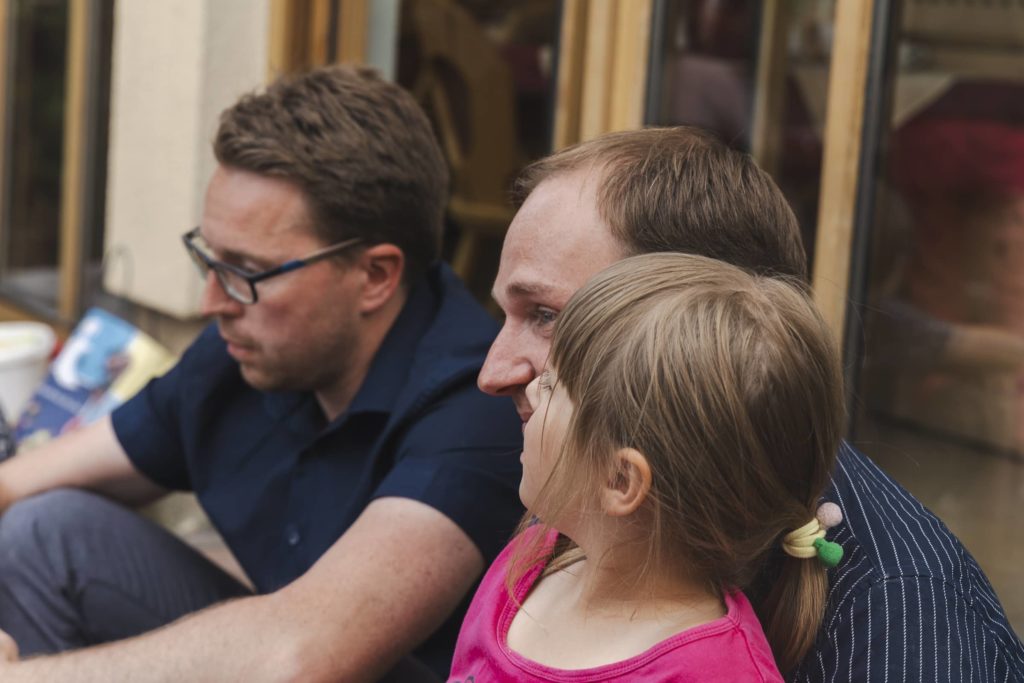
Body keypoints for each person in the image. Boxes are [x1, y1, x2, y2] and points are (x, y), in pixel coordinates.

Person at [0, 65, 523, 681]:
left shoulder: (476, 407)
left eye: (246, 271)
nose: (210, 303)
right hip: (288, 641)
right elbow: (18, 484)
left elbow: (300, 655)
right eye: (210, 259)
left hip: (334, 658)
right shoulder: (248, 348)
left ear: (375, 276)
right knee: (48, 531)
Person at [478, 126, 1024, 681]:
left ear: (703, 322)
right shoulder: (591, 495)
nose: (491, 373)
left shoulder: (904, 626)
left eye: (546, 316)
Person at [451, 252, 846, 681]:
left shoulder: (714, 673)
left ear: (621, 480)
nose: (531, 390)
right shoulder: (529, 560)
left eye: (551, 385)